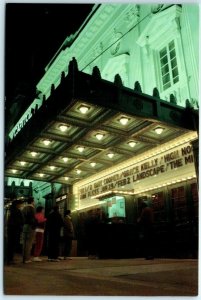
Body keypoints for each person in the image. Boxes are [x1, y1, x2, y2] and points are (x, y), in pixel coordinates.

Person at [6, 199, 24, 265]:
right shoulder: (16, 211)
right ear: (17, 204)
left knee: (10, 244)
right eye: (20, 204)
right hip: (14, 229)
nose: (21, 205)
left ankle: (9, 259)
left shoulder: (11, 210)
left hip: (12, 229)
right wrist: (21, 224)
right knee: (12, 244)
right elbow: (18, 220)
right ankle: (10, 259)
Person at [22, 197, 37, 263]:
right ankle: (27, 258)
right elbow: (33, 218)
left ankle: (24, 258)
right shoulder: (31, 208)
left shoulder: (24, 208)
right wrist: (34, 226)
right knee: (29, 242)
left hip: (24, 226)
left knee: (25, 242)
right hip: (30, 226)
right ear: (32, 201)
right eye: (34, 201)